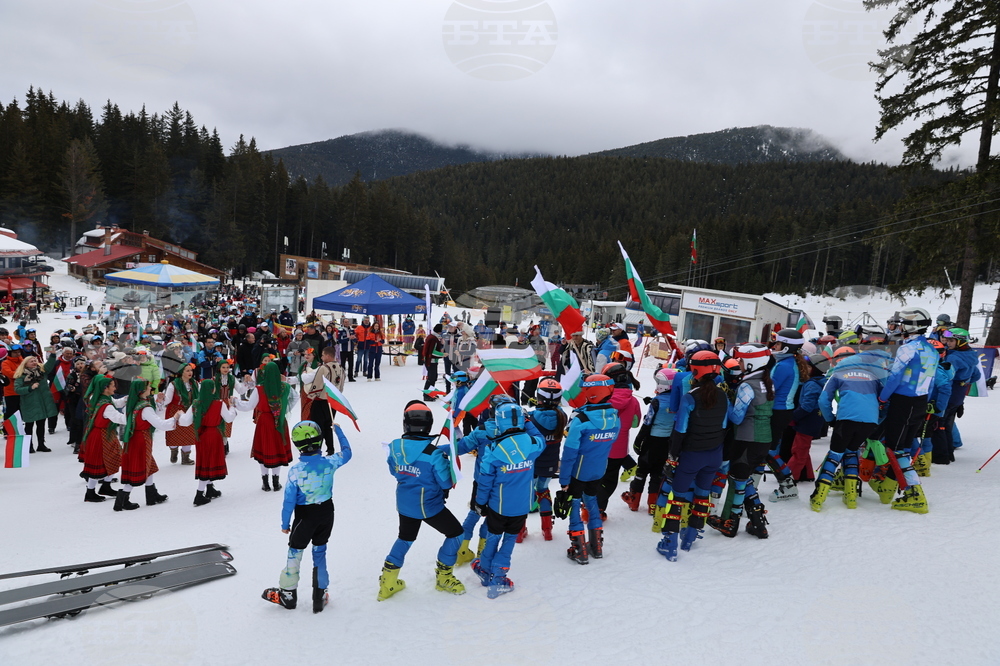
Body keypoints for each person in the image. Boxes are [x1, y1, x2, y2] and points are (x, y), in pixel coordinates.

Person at [377, 401, 465, 601]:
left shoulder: (395, 446)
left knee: (405, 538)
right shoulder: (434, 454)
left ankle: (388, 582)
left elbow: (394, 471)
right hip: (429, 505)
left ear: (405, 424)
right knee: (456, 533)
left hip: (404, 503)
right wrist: (445, 463)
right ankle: (444, 576)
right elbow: (445, 482)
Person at [263, 421, 353, 612]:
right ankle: (320, 595)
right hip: (326, 514)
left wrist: (285, 523)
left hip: (305, 518)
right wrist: (338, 431)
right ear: (320, 440)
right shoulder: (330, 462)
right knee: (320, 552)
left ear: (297, 444)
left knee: (295, 552)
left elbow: (289, 501)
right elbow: (347, 452)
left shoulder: (296, 471)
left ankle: (288, 594)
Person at [654, 351, 728, 561]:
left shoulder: (690, 397)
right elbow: (724, 426)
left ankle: (670, 543)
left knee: (676, 498)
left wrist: (672, 457)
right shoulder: (722, 395)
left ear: (694, 371)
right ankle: (691, 536)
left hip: (691, 455)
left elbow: (680, 431)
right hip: (714, 454)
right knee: (702, 494)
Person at [471, 402, 545, 598]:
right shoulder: (532, 444)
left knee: (493, 538)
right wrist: (528, 422)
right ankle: (499, 578)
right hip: (521, 506)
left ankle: (486, 572)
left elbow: (484, 481)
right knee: (509, 540)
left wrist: (480, 503)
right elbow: (541, 439)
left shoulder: (493, 450)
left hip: (498, 506)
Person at [709, 345, 773, 538]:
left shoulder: (747, 386)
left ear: (752, 363)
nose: (739, 363)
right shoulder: (767, 382)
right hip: (764, 438)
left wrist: (725, 400)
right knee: (745, 479)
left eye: (742, 360)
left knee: (738, 480)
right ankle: (758, 523)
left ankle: (731, 523)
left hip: (747, 438)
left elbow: (737, 418)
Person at [877, 307, 937, 513]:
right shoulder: (931, 349)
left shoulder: (908, 348)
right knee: (902, 447)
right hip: (920, 400)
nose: (900, 327)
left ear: (912, 325)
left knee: (896, 449)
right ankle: (887, 488)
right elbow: (931, 381)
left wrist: (882, 397)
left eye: (903, 324)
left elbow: (895, 377)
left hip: (903, 401)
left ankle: (915, 494)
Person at [560, 374, 621, 564]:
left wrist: (564, 480)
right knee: (592, 500)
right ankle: (597, 546)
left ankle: (580, 550)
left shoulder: (581, 420)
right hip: (599, 469)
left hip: (578, 471)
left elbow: (569, 453)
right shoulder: (614, 417)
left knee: (574, 503)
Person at [812, 349, 884, 511]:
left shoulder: (838, 373)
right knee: (851, 451)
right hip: (869, 421)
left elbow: (823, 399)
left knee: (835, 454)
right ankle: (851, 496)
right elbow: (885, 399)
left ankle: (818, 496)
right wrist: (878, 418)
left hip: (846, 419)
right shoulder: (873, 375)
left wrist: (830, 419)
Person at [235, 361, 297, 492]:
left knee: (265, 449)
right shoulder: (285, 387)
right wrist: (283, 410)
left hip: (264, 421)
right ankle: (276, 481)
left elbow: (249, 406)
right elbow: (295, 398)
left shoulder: (259, 389)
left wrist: (235, 402)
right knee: (277, 449)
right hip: (279, 421)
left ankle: (265, 482)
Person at [118, 379, 179, 510]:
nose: (150, 389)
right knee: (138, 467)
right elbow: (160, 424)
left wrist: (158, 402)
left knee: (149, 465)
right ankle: (122, 500)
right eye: (148, 387)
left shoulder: (133, 403)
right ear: (142, 391)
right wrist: (175, 419)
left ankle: (152, 495)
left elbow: (149, 416)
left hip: (133, 439)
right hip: (141, 439)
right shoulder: (145, 408)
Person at [623, 367, 676, 515]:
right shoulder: (678, 401)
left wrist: (638, 440)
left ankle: (634, 501)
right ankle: (653, 504)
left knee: (642, 470)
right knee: (658, 473)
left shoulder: (657, 402)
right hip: (667, 442)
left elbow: (648, 423)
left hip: (652, 441)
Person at [596, 362, 641, 518]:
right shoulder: (633, 401)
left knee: (595, 478)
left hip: (599, 445)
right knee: (609, 480)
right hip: (619, 450)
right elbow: (635, 423)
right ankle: (599, 510)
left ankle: (589, 507)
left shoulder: (603, 400)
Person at [526, 379, 567, 541]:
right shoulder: (562, 416)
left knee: (525, 494)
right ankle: (547, 529)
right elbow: (553, 412)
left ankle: (520, 531)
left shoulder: (531, 419)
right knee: (543, 490)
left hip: (532, 464)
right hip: (550, 464)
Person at [935, 327, 980, 464]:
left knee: (939, 425)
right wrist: (964, 383)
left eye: (951, 341)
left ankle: (941, 456)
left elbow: (946, 377)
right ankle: (949, 453)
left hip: (948, 395)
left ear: (960, 342)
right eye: (947, 340)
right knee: (947, 425)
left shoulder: (954, 357)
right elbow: (976, 375)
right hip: (958, 397)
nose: (947, 343)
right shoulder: (970, 354)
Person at [190, 378, 238, 506]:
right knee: (208, 463)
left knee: (205, 461)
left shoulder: (196, 403)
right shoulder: (219, 404)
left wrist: (177, 417)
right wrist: (232, 408)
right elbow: (229, 418)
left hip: (201, 436)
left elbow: (185, 421)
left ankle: (210, 488)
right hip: (214, 435)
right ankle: (199, 494)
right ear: (212, 389)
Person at [80, 375, 126, 503]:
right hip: (101, 436)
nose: (115, 388)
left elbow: (115, 403)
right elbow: (120, 418)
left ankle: (105, 487)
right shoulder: (106, 406)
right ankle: (90, 492)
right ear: (105, 388)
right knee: (99, 463)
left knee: (114, 458)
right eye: (113, 386)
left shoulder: (100, 398)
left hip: (102, 434)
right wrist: (135, 414)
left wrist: (127, 399)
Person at [786, 354, 832, 482]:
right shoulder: (822, 382)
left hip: (807, 422)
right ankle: (808, 474)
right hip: (815, 420)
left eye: (808, 366)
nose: (805, 368)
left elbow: (807, 406)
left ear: (815, 369)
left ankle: (789, 479)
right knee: (803, 448)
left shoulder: (812, 384)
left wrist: (793, 417)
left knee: (798, 451)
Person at [305, 347, 346, 455]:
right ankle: (330, 449)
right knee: (328, 425)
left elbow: (317, 384)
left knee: (318, 427)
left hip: (321, 400)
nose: (322, 357)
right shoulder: (341, 368)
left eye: (323, 355)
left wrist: (311, 396)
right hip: (333, 401)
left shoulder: (324, 368)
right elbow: (341, 385)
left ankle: (316, 450)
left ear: (328, 356)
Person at [14, 354, 58, 453]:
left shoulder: (41, 372)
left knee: (41, 424)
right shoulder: (21, 376)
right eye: (31, 361)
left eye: (35, 360)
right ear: (25, 364)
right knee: (29, 425)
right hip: (29, 403)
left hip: (42, 403)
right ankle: (29, 445)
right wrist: (30, 388)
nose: (34, 362)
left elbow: (50, 364)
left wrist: (53, 354)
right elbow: (17, 389)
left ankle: (41, 444)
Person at [160, 364, 199, 465]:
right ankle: (174, 450)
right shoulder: (174, 384)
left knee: (189, 434)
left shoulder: (195, 383)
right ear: (181, 372)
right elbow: (167, 400)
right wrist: (161, 399)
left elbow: (199, 397)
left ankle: (186, 457)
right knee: (174, 433)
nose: (190, 373)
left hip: (189, 411)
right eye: (187, 371)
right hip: (175, 411)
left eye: (191, 370)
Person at [421, 324, 443, 399]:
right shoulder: (434, 339)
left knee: (433, 377)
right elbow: (432, 352)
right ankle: (426, 395)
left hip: (430, 360)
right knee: (431, 378)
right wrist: (442, 354)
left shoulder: (431, 336)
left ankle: (431, 393)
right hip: (431, 361)